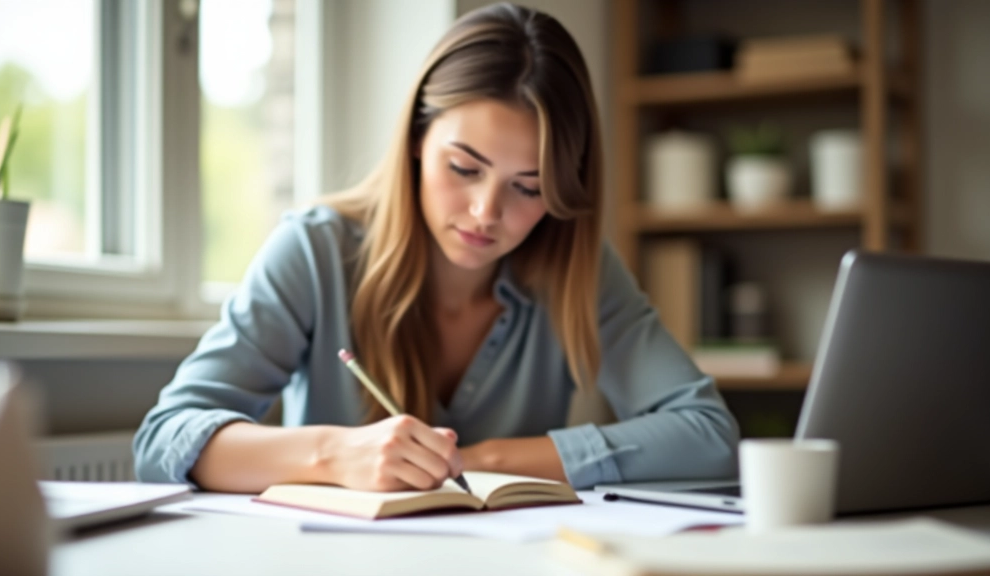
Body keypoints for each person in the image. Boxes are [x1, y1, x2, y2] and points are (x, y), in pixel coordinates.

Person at [134, 2, 738, 493]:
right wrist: (334, 455)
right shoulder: (314, 250)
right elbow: (163, 441)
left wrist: (488, 460)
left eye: (528, 187)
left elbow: (709, 436)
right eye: (464, 168)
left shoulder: (576, 268)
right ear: (418, 141)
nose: (486, 214)